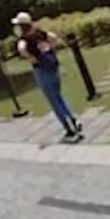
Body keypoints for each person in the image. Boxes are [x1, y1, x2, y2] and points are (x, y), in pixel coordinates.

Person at [12, 11, 83, 142]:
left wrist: (33, 58)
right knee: (59, 95)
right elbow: (54, 38)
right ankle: (73, 118)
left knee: (53, 100)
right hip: (53, 66)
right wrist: (50, 48)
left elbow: (22, 49)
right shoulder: (39, 32)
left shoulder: (25, 39)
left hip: (41, 70)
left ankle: (69, 128)